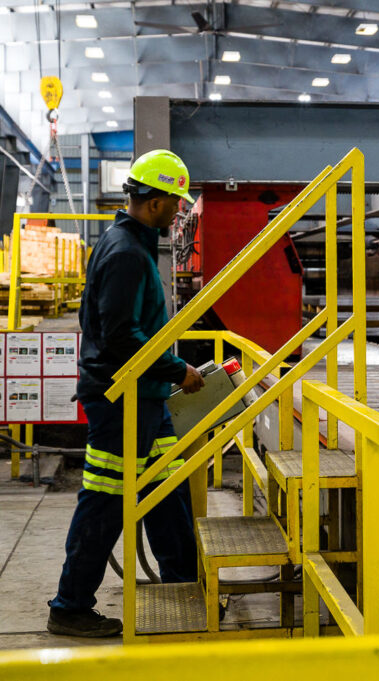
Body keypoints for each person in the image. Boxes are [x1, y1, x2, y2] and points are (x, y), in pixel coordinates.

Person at [47, 149, 206, 637]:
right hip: (122, 400)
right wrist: (178, 370)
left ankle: (183, 583)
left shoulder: (128, 245)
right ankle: (70, 605)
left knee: (166, 487)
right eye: (176, 202)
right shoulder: (124, 253)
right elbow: (120, 336)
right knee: (105, 501)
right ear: (154, 201)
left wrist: (165, 376)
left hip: (145, 397)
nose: (179, 211)